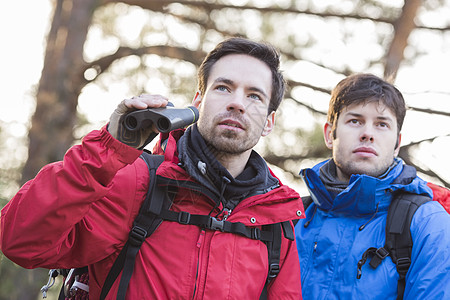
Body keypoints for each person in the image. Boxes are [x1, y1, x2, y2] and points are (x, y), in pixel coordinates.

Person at [0, 37, 304, 299]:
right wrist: (105, 150)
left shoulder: (276, 220)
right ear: (198, 100)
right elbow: (20, 241)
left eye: (254, 95)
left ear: (269, 122)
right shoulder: (136, 181)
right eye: (224, 88)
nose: (238, 103)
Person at [294, 73, 450, 300]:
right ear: (330, 134)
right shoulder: (291, 219)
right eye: (355, 121)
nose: (367, 134)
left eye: (381, 124)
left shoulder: (428, 223)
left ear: (397, 143)